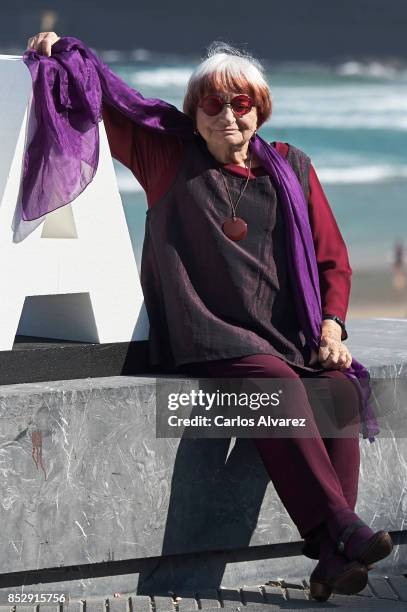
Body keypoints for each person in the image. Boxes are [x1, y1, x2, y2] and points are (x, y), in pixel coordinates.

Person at [26, 31, 393, 602]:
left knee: (339, 392)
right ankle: (343, 526)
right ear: (194, 112)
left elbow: (332, 258)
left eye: (240, 104)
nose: (228, 115)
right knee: (275, 385)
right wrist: (63, 52)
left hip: (289, 335)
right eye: (213, 103)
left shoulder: (292, 167)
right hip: (208, 334)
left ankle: (329, 555)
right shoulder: (168, 157)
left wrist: (331, 327)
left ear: (259, 112)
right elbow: (106, 104)